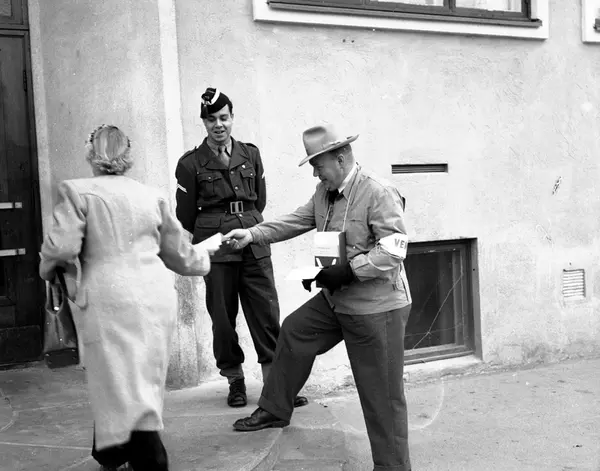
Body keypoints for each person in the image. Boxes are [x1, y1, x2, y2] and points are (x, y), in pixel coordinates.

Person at [225, 124, 413, 471]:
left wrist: (350, 271)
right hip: (337, 299)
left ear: (340, 159)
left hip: (376, 308)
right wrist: (252, 234)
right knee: (295, 331)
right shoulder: (323, 193)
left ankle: (392, 467)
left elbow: (394, 249)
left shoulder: (378, 192)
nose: (315, 172)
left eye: (318, 165)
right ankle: (275, 408)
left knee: (381, 396)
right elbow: (296, 221)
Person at [39, 125, 221, 471]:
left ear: (92, 152)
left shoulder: (76, 191)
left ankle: (150, 460)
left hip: (109, 300)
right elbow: (179, 254)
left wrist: (47, 270)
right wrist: (204, 256)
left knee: (118, 378)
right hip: (155, 297)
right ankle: (110, 452)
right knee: (137, 377)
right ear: (128, 154)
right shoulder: (152, 195)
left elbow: (61, 247)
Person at [174, 87, 307, 409]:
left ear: (232, 118)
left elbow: (259, 200)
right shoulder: (190, 163)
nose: (218, 125)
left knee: (266, 313)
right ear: (204, 123)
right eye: (211, 120)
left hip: (252, 241)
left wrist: (247, 225)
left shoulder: (250, 154)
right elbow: (185, 215)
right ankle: (235, 380)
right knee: (222, 317)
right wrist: (213, 231)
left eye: (224, 118)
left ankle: (275, 384)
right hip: (217, 246)